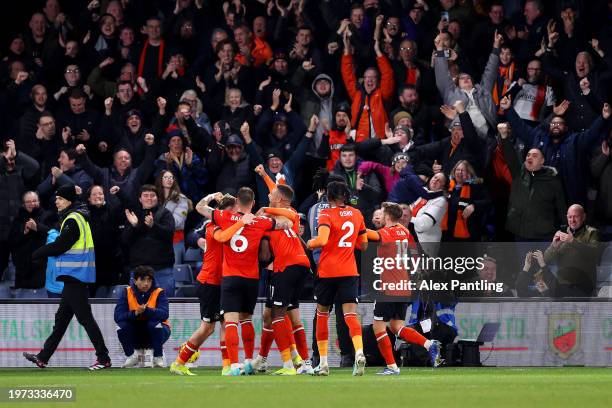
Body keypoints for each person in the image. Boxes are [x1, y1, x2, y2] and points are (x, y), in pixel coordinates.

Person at [195, 187, 292, 376]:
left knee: (231, 322)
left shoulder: (223, 216)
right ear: (253, 203)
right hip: (251, 278)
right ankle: (248, 361)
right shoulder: (261, 222)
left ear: (237, 202)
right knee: (247, 319)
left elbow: (200, 207)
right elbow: (287, 222)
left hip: (230, 277)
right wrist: (268, 211)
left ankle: (232, 365)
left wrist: (210, 195)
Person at [24, 184, 111, 370]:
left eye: (60, 199)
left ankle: (103, 358)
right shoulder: (77, 217)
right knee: (62, 320)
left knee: (84, 318)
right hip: (75, 275)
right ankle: (43, 357)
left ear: (69, 200)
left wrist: (36, 253)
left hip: (75, 275)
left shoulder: (73, 219)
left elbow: (60, 245)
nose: (57, 201)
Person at [170, 193, 245, 376]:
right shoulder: (213, 227)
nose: (236, 215)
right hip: (209, 282)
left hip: (222, 282)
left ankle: (227, 366)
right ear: (224, 212)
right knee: (208, 328)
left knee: (226, 323)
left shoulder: (228, 224)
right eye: (233, 212)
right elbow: (201, 206)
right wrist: (212, 196)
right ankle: (179, 362)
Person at [365, 202, 441, 375]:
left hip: (388, 288)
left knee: (379, 328)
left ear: (388, 216)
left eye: (382, 214)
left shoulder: (386, 233)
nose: (381, 216)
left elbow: (368, 234)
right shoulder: (405, 231)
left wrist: (357, 225)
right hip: (403, 286)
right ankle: (430, 344)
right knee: (397, 327)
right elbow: (414, 253)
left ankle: (392, 366)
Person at [307, 181, 368, 376]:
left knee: (322, 314)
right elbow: (364, 245)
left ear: (329, 196)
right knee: (350, 315)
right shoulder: (357, 214)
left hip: (327, 272)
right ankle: (359, 352)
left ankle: (323, 363)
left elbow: (322, 240)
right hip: (349, 271)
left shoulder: (325, 214)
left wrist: (310, 243)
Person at [253, 184, 313, 375]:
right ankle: (304, 362)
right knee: (290, 314)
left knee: (276, 316)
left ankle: (288, 364)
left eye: (272, 193)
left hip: (283, 267)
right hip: (302, 264)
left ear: (278, 198)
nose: (268, 194)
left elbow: (263, 255)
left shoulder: (270, 219)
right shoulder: (286, 217)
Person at [122, 185, 176, 296]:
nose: (149, 198)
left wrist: (153, 226)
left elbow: (169, 234)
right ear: (140, 199)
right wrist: (134, 226)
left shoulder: (165, 214)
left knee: (165, 307)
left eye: (152, 195)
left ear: (157, 198)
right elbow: (124, 241)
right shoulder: (133, 215)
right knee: (137, 309)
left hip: (162, 270)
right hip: (138, 271)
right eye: (145, 196)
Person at [115, 265, 171, 368]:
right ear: (135, 281)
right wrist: (135, 313)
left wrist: (147, 311)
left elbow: (164, 314)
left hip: (159, 331)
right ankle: (131, 356)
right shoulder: (126, 292)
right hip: (137, 331)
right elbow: (118, 316)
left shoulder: (159, 292)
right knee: (121, 326)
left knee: (154, 323)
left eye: (149, 280)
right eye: (142, 280)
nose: (146, 283)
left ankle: (158, 356)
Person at [543, 204, 600, 297]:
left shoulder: (592, 233)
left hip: (583, 287)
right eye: (570, 217)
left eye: (576, 217)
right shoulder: (562, 234)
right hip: (563, 287)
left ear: (583, 217)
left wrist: (572, 241)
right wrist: (554, 246)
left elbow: (594, 254)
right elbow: (545, 259)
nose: (572, 220)